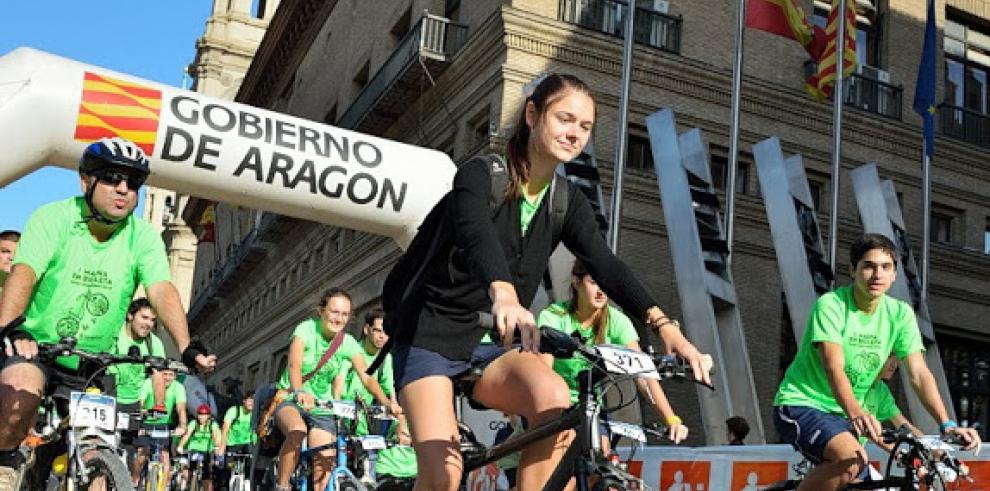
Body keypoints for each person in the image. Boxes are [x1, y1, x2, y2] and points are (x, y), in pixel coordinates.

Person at [386, 73, 712, 491]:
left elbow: (605, 263)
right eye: (564, 118)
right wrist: (502, 292)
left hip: (487, 342)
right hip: (429, 332)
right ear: (532, 114)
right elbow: (474, 235)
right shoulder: (481, 175)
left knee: (555, 402)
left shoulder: (565, 201)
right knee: (443, 476)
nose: (574, 133)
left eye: (585, 126)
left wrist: (664, 325)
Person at [0, 137, 215, 490]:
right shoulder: (54, 217)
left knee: (100, 457)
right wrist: (12, 328)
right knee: (17, 390)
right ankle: (5, 466)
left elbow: (161, 288)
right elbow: (24, 274)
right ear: (86, 181)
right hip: (39, 349)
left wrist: (186, 345)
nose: (124, 189)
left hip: (93, 364)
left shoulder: (142, 236)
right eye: (113, 178)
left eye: (133, 183)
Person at [773, 233, 981, 490]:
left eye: (886, 267)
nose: (877, 275)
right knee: (851, 460)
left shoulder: (900, 314)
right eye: (868, 266)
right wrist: (857, 412)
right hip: (803, 403)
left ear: (894, 274)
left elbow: (918, 373)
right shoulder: (831, 305)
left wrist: (946, 426)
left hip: (849, 417)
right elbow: (833, 366)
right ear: (852, 270)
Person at [539, 260, 689, 445]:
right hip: (552, 406)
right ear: (576, 282)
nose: (601, 291)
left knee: (601, 454)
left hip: (590, 407)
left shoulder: (617, 321)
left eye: (604, 284)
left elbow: (642, 373)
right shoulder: (553, 316)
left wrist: (671, 419)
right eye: (593, 283)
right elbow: (542, 375)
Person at [272, 288, 402, 491]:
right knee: (297, 431)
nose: (338, 318)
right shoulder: (306, 329)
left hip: (322, 408)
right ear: (322, 311)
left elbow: (367, 377)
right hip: (292, 399)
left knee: (323, 468)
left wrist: (387, 403)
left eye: (344, 314)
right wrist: (300, 392)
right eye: (334, 312)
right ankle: (282, 485)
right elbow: (294, 365)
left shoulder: (348, 343)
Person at [109, 298, 167, 419]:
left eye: (152, 320)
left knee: (128, 437)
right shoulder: (113, 333)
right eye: (144, 317)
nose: (148, 324)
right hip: (106, 396)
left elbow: (158, 375)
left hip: (134, 402)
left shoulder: (154, 343)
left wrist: (159, 405)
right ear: (130, 315)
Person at [132, 368, 187, 487]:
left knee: (165, 457)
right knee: (142, 454)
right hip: (146, 423)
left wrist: (182, 425)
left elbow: (181, 408)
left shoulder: (178, 387)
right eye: (164, 374)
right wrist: (143, 411)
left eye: (170, 375)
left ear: (175, 376)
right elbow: (141, 402)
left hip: (164, 425)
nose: (167, 378)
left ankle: (164, 486)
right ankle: (134, 481)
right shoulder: (148, 382)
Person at [177, 404, 223, 491]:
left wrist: (217, 446)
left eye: (204, 414)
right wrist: (180, 446)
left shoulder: (212, 424)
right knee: (189, 468)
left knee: (207, 473)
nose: (201, 416)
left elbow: (215, 436)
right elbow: (187, 435)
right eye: (199, 414)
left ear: (208, 416)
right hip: (194, 449)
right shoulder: (194, 423)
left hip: (207, 450)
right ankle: (186, 485)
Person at [220, 391, 257, 480]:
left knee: (251, 465)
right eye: (249, 400)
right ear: (244, 401)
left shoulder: (255, 414)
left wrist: (256, 447)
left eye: (254, 401)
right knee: (228, 469)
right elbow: (225, 429)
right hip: (232, 444)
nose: (251, 403)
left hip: (247, 443)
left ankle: (247, 483)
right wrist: (222, 446)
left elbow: (257, 432)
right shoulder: (234, 410)